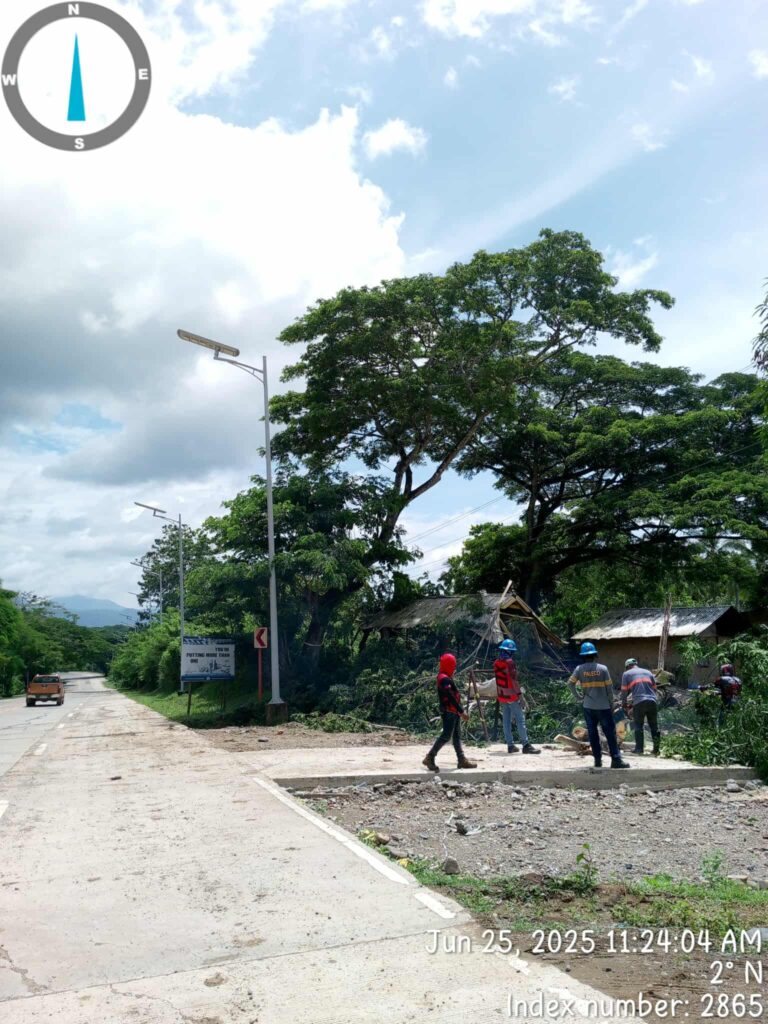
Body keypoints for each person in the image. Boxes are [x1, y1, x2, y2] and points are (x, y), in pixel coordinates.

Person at [567, 642, 629, 769]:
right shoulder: (603, 669)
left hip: (588, 707)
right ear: (595, 654)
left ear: (583, 656)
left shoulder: (579, 669)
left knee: (593, 733)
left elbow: (570, 684)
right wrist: (611, 704)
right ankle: (616, 760)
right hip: (603, 707)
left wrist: (579, 697)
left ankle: (597, 760)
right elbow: (609, 689)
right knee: (610, 734)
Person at [422, 653, 477, 772]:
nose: (454, 668)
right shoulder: (444, 679)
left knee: (456, 736)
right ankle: (430, 757)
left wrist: (458, 711)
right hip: (449, 711)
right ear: (449, 665)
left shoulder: (444, 677)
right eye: (453, 665)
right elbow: (450, 696)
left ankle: (461, 759)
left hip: (453, 711)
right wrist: (461, 711)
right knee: (446, 735)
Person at [494, 639, 540, 754]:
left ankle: (510, 746)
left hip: (502, 696)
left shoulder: (496, 663)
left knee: (506, 721)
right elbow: (514, 682)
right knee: (520, 720)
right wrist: (521, 697)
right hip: (512, 696)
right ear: (510, 651)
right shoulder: (509, 662)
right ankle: (526, 745)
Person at [621, 658, 661, 755]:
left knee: (638, 725)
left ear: (627, 667)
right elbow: (655, 689)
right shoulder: (648, 672)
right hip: (652, 701)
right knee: (654, 726)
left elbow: (624, 691)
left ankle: (639, 749)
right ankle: (656, 750)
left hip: (639, 702)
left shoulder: (626, 674)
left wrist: (624, 704)